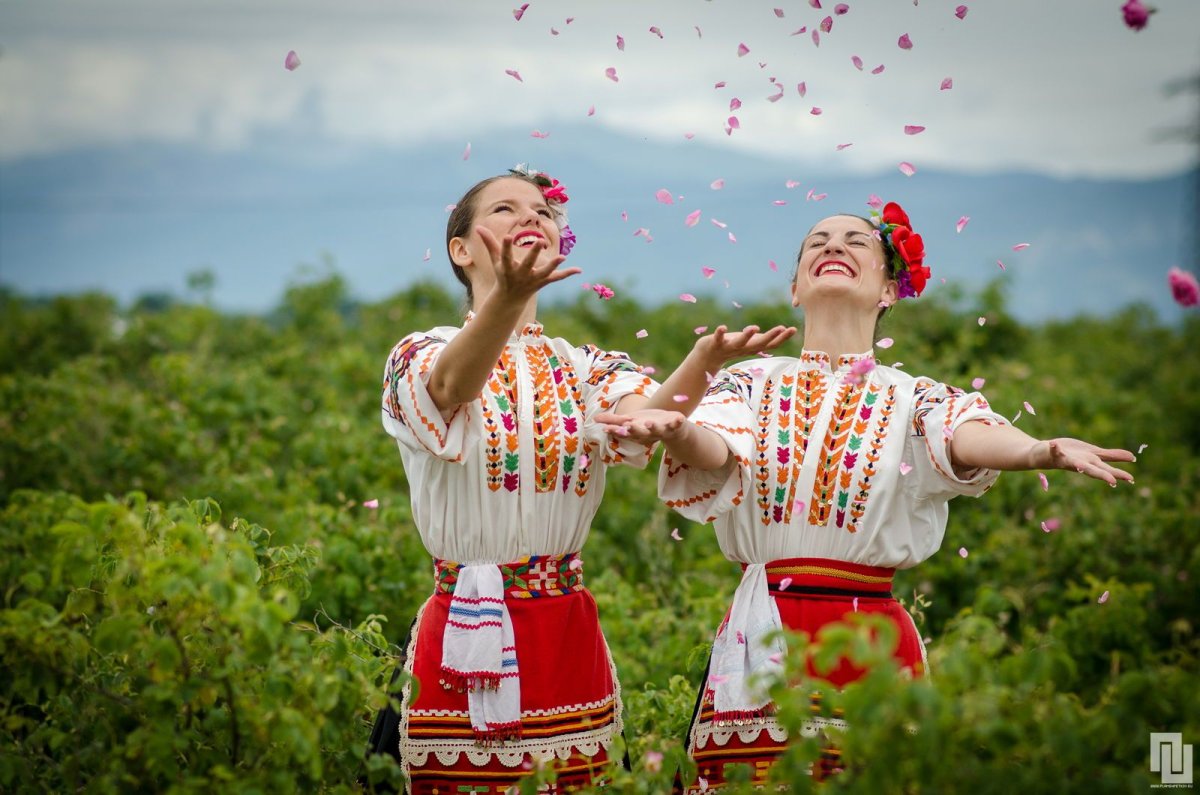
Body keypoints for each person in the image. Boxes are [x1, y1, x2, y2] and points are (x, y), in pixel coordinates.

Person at [596, 201, 1136, 791]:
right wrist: (680, 430)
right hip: (765, 630)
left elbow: (966, 435)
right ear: (795, 288)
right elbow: (717, 445)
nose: (834, 247)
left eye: (857, 242)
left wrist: (1038, 450)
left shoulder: (914, 397)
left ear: (888, 288)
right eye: (817, 242)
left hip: (870, 639)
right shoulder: (749, 380)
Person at [367, 167, 662, 793]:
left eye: (542, 210)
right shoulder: (419, 352)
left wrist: (700, 366)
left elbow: (648, 415)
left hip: (564, 627)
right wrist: (503, 299)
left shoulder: (584, 366)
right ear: (462, 250)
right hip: (462, 620)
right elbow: (449, 388)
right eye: (504, 209)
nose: (531, 217)